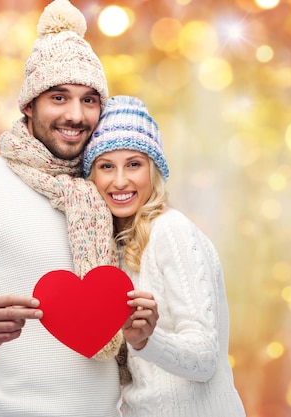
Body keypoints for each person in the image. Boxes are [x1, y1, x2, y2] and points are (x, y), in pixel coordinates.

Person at [0, 1, 156, 416]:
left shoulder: (104, 192)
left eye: (89, 100)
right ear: (29, 105)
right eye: (59, 97)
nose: (75, 115)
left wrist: (145, 329)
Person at [83, 95, 246, 416]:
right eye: (106, 166)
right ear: (92, 176)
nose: (119, 181)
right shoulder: (111, 247)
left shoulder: (170, 231)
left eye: (133, 164)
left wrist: (146, 341)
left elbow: (204, 359)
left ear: (153, 170)